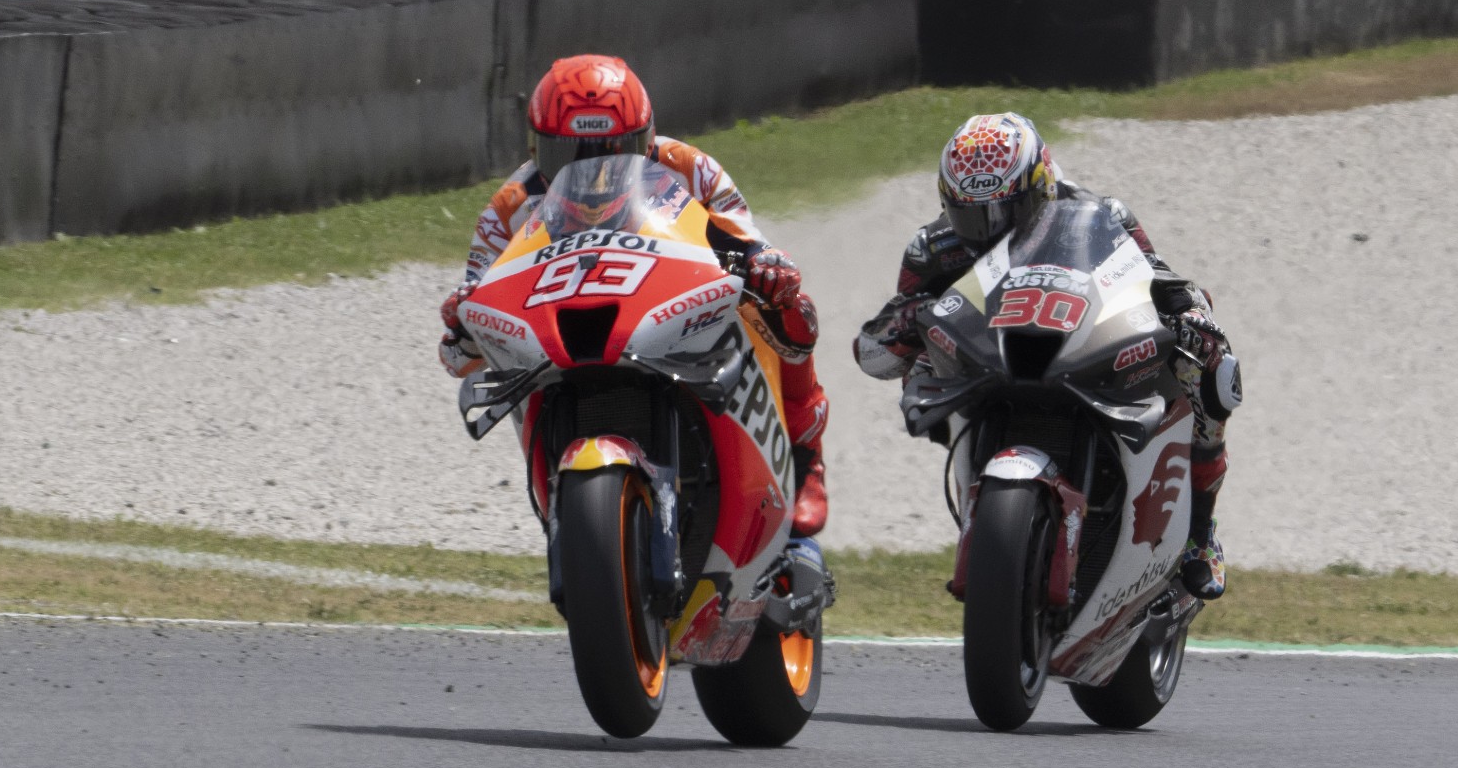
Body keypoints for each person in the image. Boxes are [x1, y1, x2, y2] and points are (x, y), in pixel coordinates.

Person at [438, 54, 830, 536]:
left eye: (613, 151)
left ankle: (806, 456)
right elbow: (466, 336)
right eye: (569, 157)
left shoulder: (691, 169)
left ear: (645, 141)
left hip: (667, 300)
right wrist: (463, 322)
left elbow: (746, 241)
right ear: (537, 151)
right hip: (562, 327)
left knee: (792, 310)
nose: (592, 176)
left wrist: (768, 269)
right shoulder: (507, 210)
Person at [852, 113, 1238, 598]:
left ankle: (1199, 532)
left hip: (1086, 353)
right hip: (984, 371)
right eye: (972, 215)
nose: (989, 230)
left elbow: (1158, 277)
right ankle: (992, 520)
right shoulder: (934, 249)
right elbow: (874, 353)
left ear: (1041, 187)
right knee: (921, 370)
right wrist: (911, 321)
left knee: (1210, 362)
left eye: (1004, 212)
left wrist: (1189, 310)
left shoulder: (1102, 217)